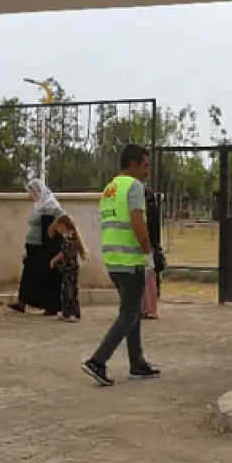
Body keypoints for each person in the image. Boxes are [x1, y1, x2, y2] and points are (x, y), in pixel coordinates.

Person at [81, 144, 161, 386]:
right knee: (128, 314)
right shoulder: (135, 187)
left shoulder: (109, 189)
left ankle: (137, 362)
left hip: (113, 260)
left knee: (132, 311)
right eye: (145, 165)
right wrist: (148, 252)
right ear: (134, 164)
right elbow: (137, 222)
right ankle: (98, 361)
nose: (147, 171)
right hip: (131, 259)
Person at [9, 179, 66, 316]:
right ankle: (22, 302)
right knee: (29, 275)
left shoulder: (52, 206)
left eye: (31, 193)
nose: (29, 196)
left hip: (45, 248)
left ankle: (51, 306)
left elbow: (63, 223)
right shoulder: (38, 206)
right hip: (34, 246)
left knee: (45, 276)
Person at [48, 215, 89, 323]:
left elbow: (63, 253)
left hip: (71, 268)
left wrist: (54, 260)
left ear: (63, 225)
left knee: (70, 291)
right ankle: (66, 311)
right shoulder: (70, 236)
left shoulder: (69, 238)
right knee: (66, 290)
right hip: (69, 267)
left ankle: (74, 313)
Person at [142, 186, 164, 319]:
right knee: (149, 277)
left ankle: (147, 308)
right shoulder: (153, 207)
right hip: (150, 245)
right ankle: (151, 308)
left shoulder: (144, 209)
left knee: (147, 277)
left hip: (145, 245)